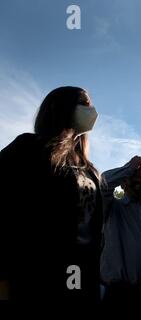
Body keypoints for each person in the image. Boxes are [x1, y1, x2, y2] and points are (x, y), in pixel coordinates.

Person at [0, 86, 103, 301]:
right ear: (62, 108)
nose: (92, 110)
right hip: (37, 278)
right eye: (84, 103)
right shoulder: (28, 147)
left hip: (81, 277)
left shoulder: (91, 170)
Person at [100, 156, 141, 302]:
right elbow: (103, 182)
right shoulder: (112, 208)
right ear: (123, 183)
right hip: (120, 295)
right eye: (137, 177)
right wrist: (129, 168)